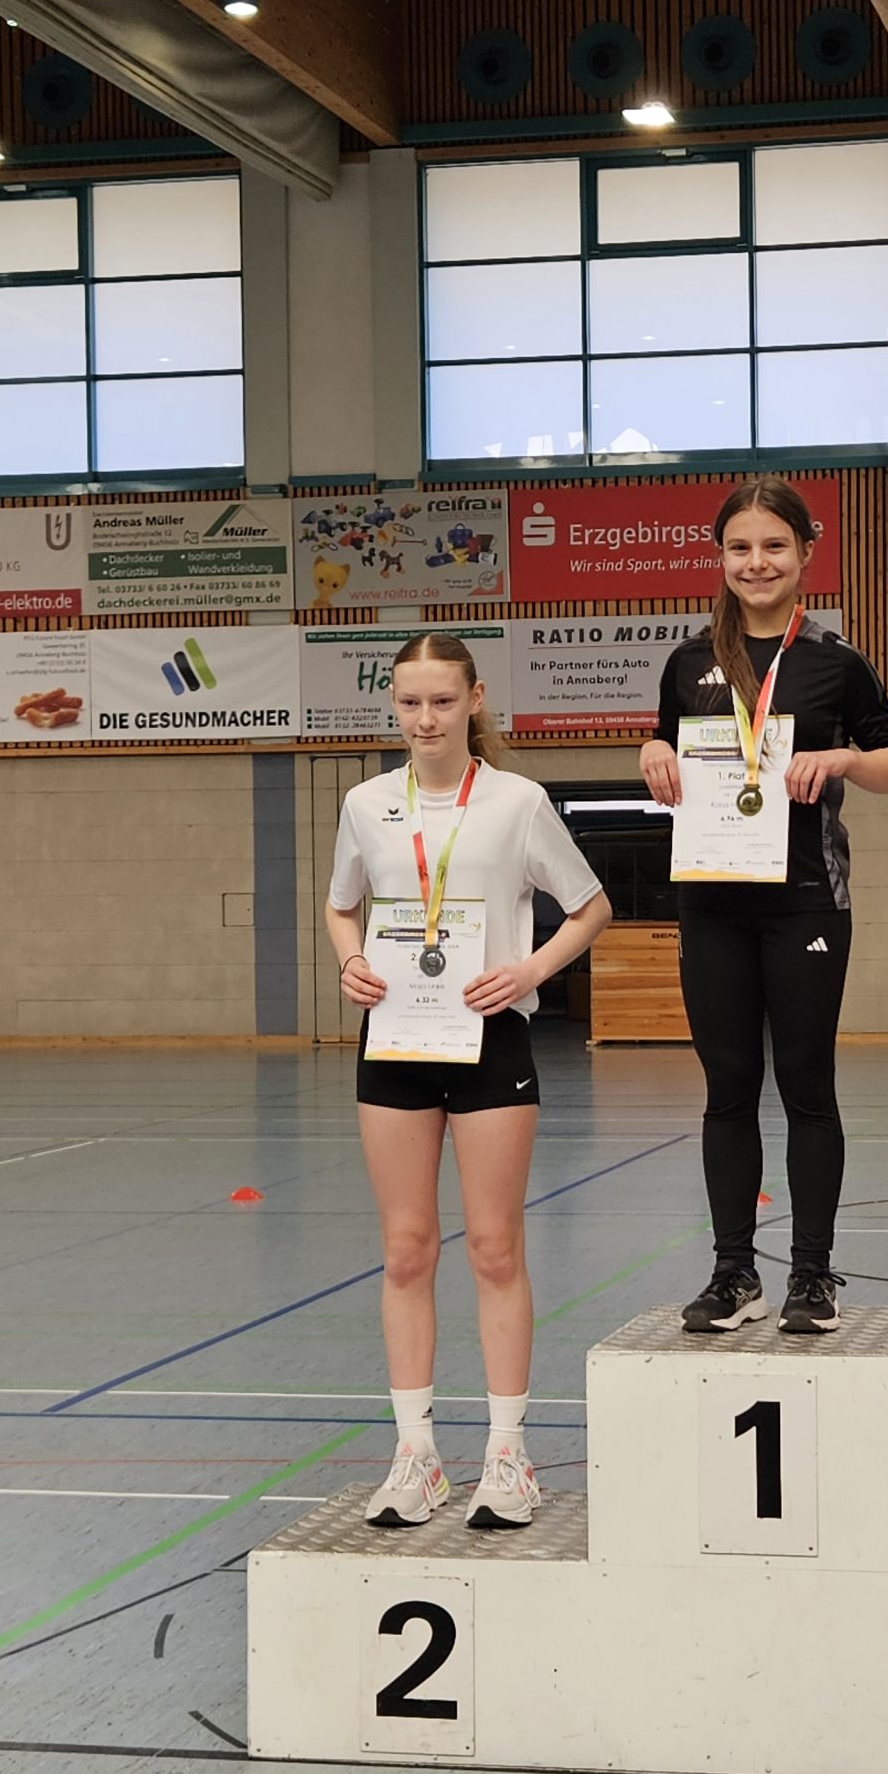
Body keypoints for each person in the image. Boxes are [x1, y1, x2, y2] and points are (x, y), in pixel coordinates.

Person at [327, 632, 611, 1531]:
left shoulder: (518, 803)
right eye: (410, 702)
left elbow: (591, 906)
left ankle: (507, 1456)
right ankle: (416, 1456)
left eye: (442, 701)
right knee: (407, 1250)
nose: (425, 719)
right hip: (395, 1042)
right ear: (394, 705)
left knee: (494, 1248)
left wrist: (530, 971)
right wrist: (349, 962)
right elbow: (341, 905)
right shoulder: (367, 804)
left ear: (475, 700)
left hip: (491, 1041)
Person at [641, 477, 888, 1336]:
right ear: (720, 557)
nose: (756, 563)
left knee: (806, 1084)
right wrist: (651, 750)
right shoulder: (689, 662)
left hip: (805, 904)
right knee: (727, 1088)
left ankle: (812, 1275)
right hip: (711, 903)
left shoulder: (837, 660)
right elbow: (665, 742)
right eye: (740, 548)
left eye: (773, 546)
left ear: (805, 553)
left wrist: (844, 760)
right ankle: (734, 1273)